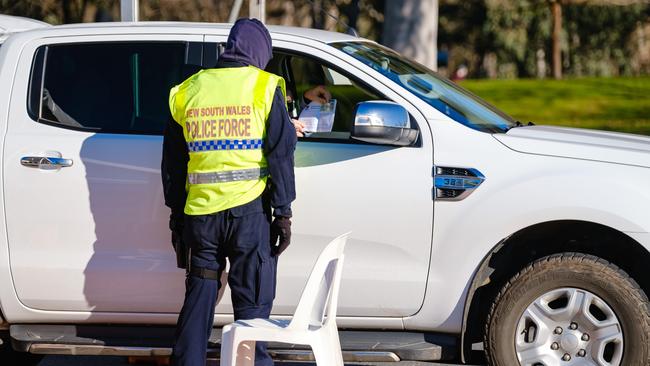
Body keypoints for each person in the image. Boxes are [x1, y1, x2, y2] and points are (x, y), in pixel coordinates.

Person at [162, 18, 297, 366]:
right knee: (251, 306)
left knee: (200, 296)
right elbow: (280, 153)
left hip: (201, 217)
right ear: (260, 52)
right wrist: (283, 213)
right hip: (248, 214)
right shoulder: (265, 88)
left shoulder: (189, 89)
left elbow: (174, 164)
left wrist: (176, 215)